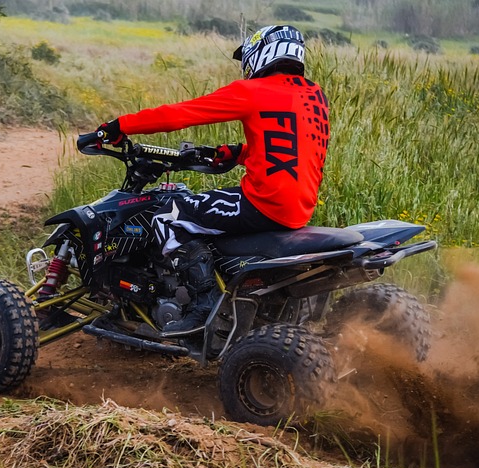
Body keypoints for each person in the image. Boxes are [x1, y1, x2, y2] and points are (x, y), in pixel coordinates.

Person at [96, 25, 330, 333]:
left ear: (260, 55)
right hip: (298, 208)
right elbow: (291, 147)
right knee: (201, 211)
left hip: (264, 203)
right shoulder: (314, 95)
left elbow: (179, 115)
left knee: (169, 214)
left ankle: (203, 305)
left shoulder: (252, 91)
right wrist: (239, 153)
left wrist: (120, 125)